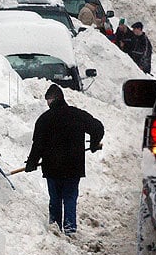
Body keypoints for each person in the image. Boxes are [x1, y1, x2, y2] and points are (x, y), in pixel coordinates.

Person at [24, 84, 104, 236]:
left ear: (53, 99)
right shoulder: (77, 115)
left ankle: (55, 228)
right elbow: (98, 128)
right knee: (69, 197)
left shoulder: (44, 119)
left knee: (55, 199)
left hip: (52, 167)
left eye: (48, 100)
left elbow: (38, 144)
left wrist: (32, 162)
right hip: (73, 167)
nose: (47, 103)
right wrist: (94, 143)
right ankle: (70, 229)